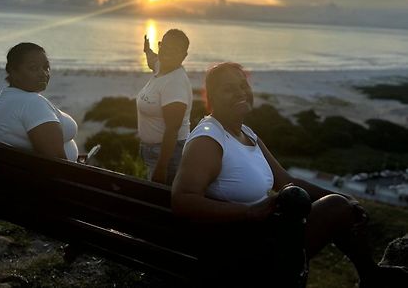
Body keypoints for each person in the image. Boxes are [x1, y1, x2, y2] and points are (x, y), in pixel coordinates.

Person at [172, 62, 408, 287]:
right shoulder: (208, 139)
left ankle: (370, 275)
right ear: (211, 97)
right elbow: (182, 199)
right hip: (244, 250)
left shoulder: (246, 133)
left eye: (243, 85)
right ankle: (371, 276)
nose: (240, 92)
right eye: (228, 89)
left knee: (340, 203)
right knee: (336, 207)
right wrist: (249, 212)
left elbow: (286, 181)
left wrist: (345, 196)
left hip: (266, 238)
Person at [0, 42, 78, 161]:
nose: (43, 74)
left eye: (46, 67)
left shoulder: (4, 97)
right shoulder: (32, 103)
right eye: (33, 68)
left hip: (7, 173)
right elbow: (57, 166)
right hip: (35, 178)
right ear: (13, 71)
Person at [136, 29, 192, 185]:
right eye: (164, 46)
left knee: (160, 199)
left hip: (166, 155)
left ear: (184, 56)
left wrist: (162, 168)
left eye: (174, 50)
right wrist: (147, 50)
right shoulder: (162, 67)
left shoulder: (175, 83)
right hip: (153, 151)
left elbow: (173, 129)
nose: (167, 52)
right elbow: (152, 61)